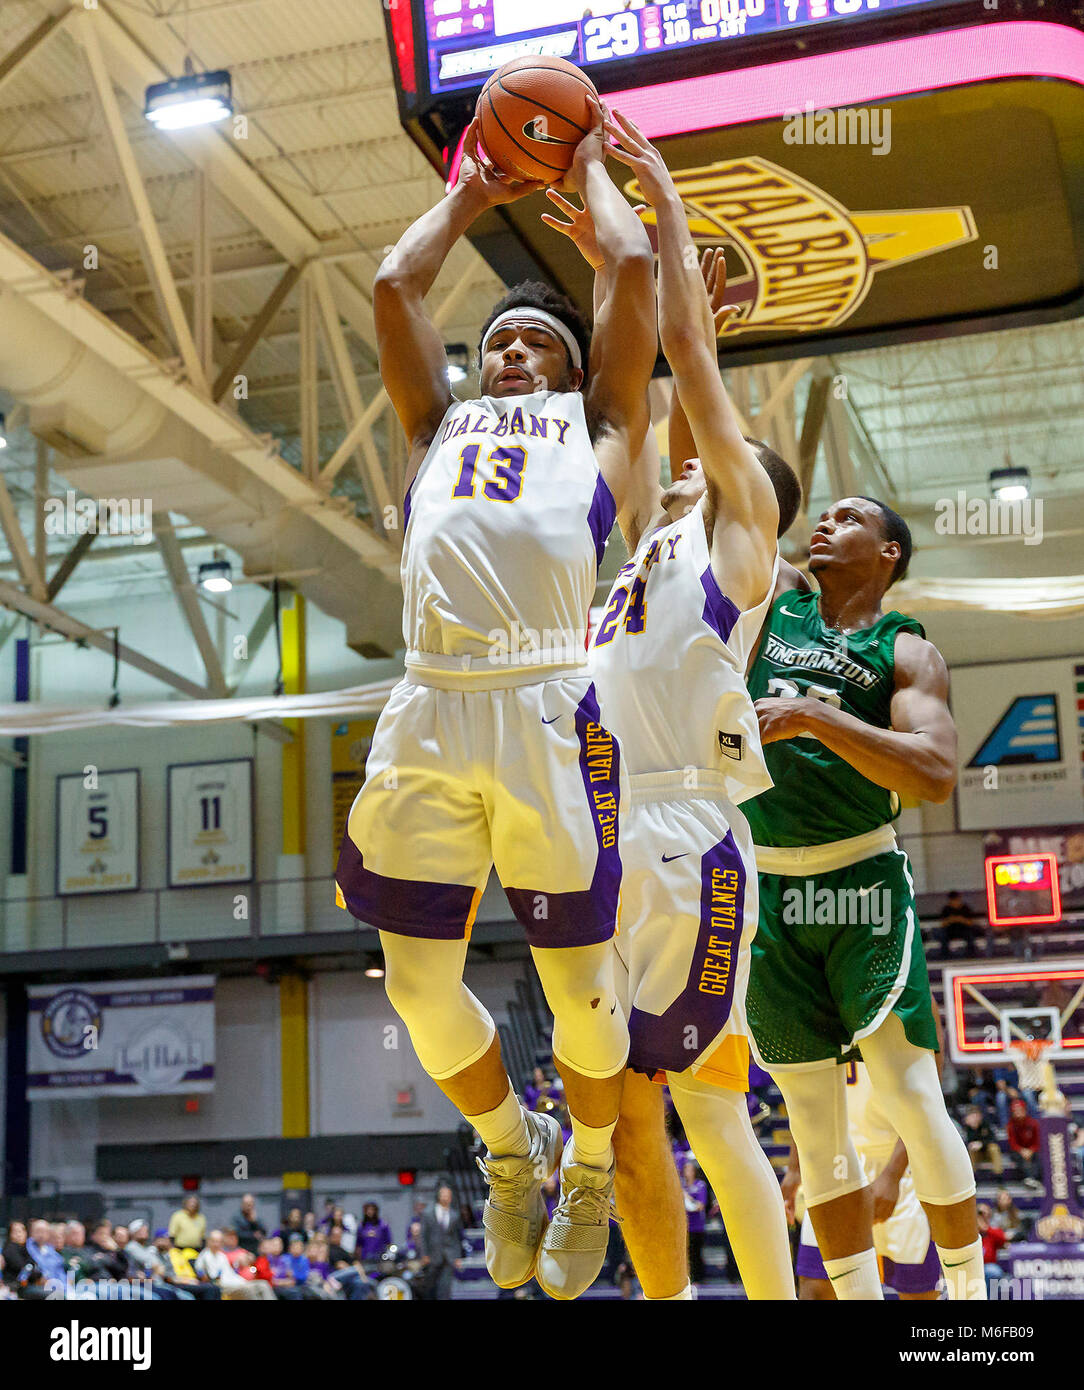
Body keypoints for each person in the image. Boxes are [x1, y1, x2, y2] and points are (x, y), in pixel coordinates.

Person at [334, 94, 657, 1301]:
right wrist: (473, 188)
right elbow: (389, 285)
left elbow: (626, 263)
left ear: (576, 373)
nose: (514, 349)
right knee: (415, 981)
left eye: (541, 342)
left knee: (582, 992)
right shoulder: (437, 426)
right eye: (502, 340)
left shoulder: (606, 428)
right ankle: (509, 1152)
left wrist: (580, 164)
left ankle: (587, 1162)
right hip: (428, 702)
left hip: (543, 705)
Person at [557, 112, 795, 1301]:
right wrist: (620, 274)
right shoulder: (646, 553)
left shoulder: (736, 551)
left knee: (711, 1107)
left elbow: (690, 379)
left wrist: (659, 201)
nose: (691, 459)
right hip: (600, 836)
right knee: (619, 1110)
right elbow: (636, 401)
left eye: (716, 458)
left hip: (690, 840)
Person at [739, 461, 982, 1295]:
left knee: (912, 1094)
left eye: (846, 518)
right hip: (767, 882)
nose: (823, 524)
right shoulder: (772, 605)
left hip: (860, 876)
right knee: (812, 1124)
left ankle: (973, 1304)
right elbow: (729, 493)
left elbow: (938, 770)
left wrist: (814, 714)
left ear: (887, 552)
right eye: (823, 513)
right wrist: (693, 335)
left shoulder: (905, 647)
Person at [786, 1058, 942, 1301]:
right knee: (816, 1289)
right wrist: (795, 1169)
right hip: (835, 1159)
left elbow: (930, 1084)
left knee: (918, 1294)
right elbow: (803, 1087)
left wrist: (893, 1173)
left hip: (899, 1158)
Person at [195, 1228, 275, 1300]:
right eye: (214, 1241)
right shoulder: (203, 1256)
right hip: (222, 1286)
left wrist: (243, 1281)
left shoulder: (222, 1256)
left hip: (233, 1281)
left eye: (218, 1242)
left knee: (263, 1284)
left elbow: (231, 1273)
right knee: (248, 1289)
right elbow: (202, 1275)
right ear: (208, 1241)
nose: (216, 1244)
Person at [417, 1183, 464, 1302]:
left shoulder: (454, 1215)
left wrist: (458, 1257)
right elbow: (423, 1236)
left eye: (448, 1195)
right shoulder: (428, 1213)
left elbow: (456, 1238)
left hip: (449, 1256)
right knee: (429, 1286)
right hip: (432, 1255)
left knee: (445, 1287)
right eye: (443, 1195)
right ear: (439, 1196)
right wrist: (424, 1254)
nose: (445, 1197)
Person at [680, 1160, 708, 1286]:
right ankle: (689, 1279)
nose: (687, 1172)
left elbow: (701, 1206)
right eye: (686, 1169)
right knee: (687, 1254)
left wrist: (688, 1198)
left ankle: (699, 1279)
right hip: (686, 1226)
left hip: (697, 1226)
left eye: (690, 1169)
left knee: (697, 1253)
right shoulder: (683, 1186)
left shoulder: (700, 1185)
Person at [937, 891, 983, 960]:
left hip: (963, 930)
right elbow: (943, 924)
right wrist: (951, 920)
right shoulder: (946, 909)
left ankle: (971, 955)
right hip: (950, 931)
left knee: (970, 935)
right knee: (943, 935)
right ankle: (944, 956)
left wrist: (961, 919)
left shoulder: (965, 908)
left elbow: (970, 923)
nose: (955, 902)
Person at [1007, 1099, 1042, 1188]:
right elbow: (1013, 1143)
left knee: (1038, 1156)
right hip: (1019, 1150)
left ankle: (1035, 1178)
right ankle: (1029, 1178)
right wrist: (1022, 1150)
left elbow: (1038, 1141)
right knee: (1018, 1157)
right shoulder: (1010, 1125)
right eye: (1015, 1111)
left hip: (1032, 1149)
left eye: (1020, 1110)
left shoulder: (1033, 1123)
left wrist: (1031, 1150)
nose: (1018, 1113)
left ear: (1025, 1110)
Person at [962, 1105, 1004, 1177]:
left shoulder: (986, 1124)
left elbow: (993, 1139)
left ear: (979, 1116)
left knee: (994, 1148)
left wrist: (981, 1144)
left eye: (976, 1115)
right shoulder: (967, 1127)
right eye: (972, 1116)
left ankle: (998, 1175)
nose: (974, 1118)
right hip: (977, 1154)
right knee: (971, 1151)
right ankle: (972, 1176)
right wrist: (973, 1129)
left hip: (988, 1153)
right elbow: (967, 1143)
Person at [2, 1220, 30, 1288]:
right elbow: (21, 1267)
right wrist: (38, 1275)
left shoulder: (27, 1248)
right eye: (15, 1232)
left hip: (27, 1285)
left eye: (22, 1231)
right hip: (13, 1286)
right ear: (10, 1234)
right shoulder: (9, 1249)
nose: (19, 1234)